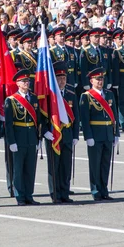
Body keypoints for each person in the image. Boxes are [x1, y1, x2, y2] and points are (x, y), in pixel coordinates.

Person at [79, 67, 119, 201]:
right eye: (97, 79)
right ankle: (95, 190)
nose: (100, 81)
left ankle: (104, 189)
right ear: (91, 81)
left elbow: (114, 116)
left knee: (105, 164)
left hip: (108, 133)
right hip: (95, 135)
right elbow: (85, 119)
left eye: (101, 79)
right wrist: (88, 136)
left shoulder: (109, 94)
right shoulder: (86, 96)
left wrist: (116, 133)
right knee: (95, 164)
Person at [43, 62, 79, 203]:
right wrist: (45, 131)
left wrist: (76, 135)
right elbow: (43, 115)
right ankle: (55, 194)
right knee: (54, 166)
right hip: (53, 134)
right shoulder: (49, 95)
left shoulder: (70, 94)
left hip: (68, 134)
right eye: (59, 78)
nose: (62, 81)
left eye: (64, 78)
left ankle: (65, 193)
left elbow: (76, 116)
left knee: (66, 165)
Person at [4, 69, 42, 206]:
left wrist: (38, 138)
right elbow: (8, 124)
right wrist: (11, 141)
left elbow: (38, 120)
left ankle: (29, 195)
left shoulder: (34, 98)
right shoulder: (11, 100)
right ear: (17, 83)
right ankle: (20, 196)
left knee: (30, 169)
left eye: (28, 81)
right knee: (18, 169)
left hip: (31, 137)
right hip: (18, 138)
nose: (26, 83)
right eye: (23, 81)